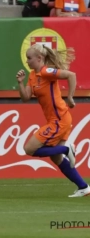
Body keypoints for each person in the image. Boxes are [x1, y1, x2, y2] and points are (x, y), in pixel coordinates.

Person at [16, 43, 90, 197]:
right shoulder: (32, 75)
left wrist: (70, 96)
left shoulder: (45, 71)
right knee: (55, 158)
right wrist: (20, 83)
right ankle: (83, 187)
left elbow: (71, 75)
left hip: (59, 119)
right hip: (56, 120)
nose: (27, 61)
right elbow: (25, 98)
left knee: (29, 149)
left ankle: (67, 149)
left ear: (39, 58)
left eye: (29, 58)